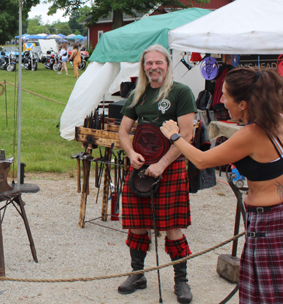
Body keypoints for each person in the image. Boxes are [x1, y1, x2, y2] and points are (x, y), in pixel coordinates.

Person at [160, 67, 283, 304]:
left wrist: (174, 135)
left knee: (268, 293)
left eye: (226, 95)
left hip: (269, 222)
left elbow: (202, 160)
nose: (223, 101)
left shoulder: (253, 133)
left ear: (244, 103)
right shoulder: (276, 121)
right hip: (272, 216)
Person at [118, 44, 196, 304]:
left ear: (167, 64)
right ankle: (138, 274)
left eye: (158, 62)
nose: (153, 67)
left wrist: (162, 164)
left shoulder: (180, 92)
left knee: (173, 227)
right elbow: (123, 132)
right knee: (137, 225)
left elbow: (187, 135)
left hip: (169, 167)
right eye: (148, 63)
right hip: (140, 167)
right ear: (143, 66)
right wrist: (130, 153)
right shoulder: (137, 94)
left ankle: (181, 281)